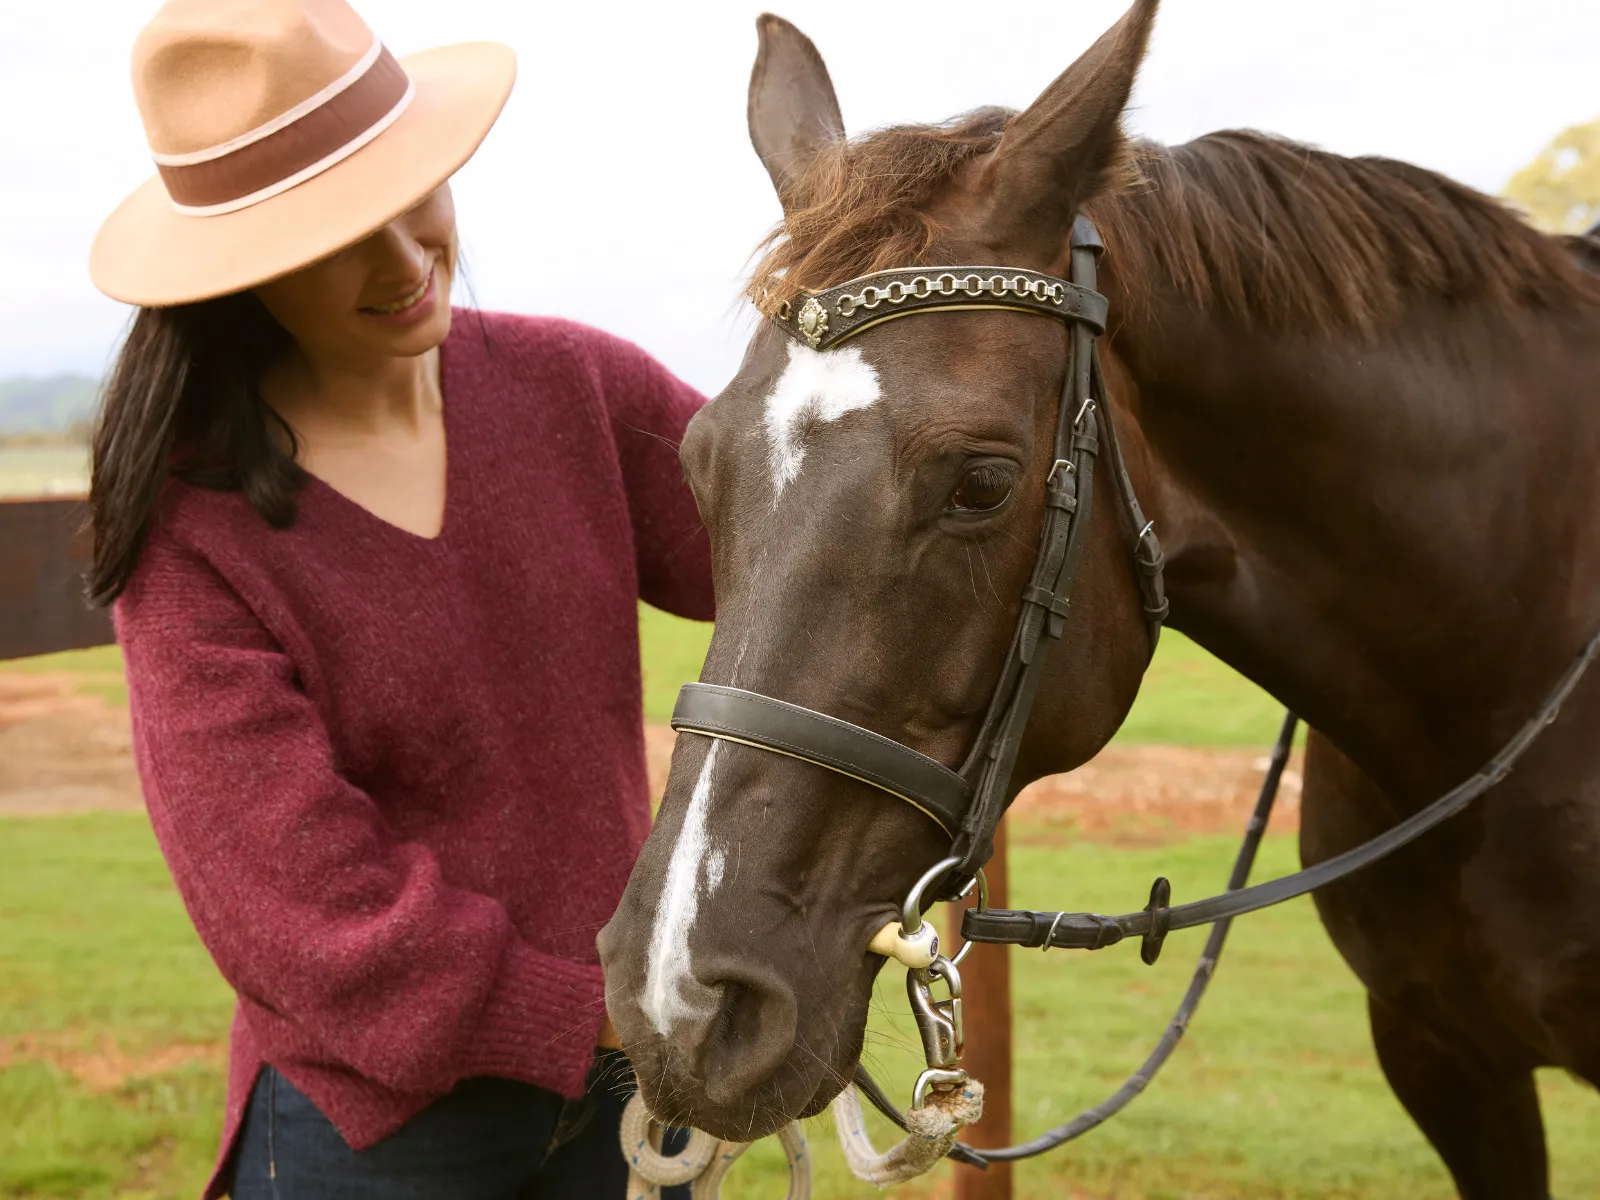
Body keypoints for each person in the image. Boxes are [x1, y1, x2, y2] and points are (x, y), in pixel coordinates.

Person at [86, 1, 712, 1196]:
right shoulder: (193, 528)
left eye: (408, 193)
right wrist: (608, 1015)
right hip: (383, 1137)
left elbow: (804, 558)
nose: (401, 258)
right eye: (330, 236)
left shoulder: (576, 386)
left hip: (627, 1088)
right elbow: (300, 919)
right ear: (242, 267)